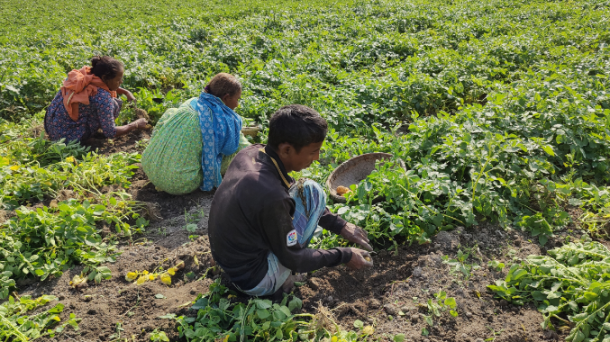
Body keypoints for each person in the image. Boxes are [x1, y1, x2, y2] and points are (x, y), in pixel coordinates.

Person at [208, 104, 374, 297]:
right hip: (252, 280)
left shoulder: (251, 154)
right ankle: (280, 281)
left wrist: (340, 225)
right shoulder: (272, 196)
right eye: (313, 152)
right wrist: (344, 254)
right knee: (313, 192)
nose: (317, 158)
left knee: (308, 190)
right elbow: (294, 258)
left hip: (229, 259)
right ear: (286, 149)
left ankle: (233, 269)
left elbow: (291, 190)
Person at [141, 73, 250, 195]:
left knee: (171, 112)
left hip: (150, 167)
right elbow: (244, 147)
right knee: (232, 152)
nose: (237, 105)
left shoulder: (191, 102)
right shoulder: (223, 119)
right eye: (237, 99)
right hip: (179, 184)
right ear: (226, 98)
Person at [44, 56, 148, 143]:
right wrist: (135, 125)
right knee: (114, 105)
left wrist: (125, 92)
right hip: (65, 138)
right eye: (118, 80)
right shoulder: (103, 98)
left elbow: (101, 86)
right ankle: (83, 136)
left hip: (52, 125)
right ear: (104, 78)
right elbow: (111, 133)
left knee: (104, 104)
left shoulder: (83, 76)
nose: (121, 82)